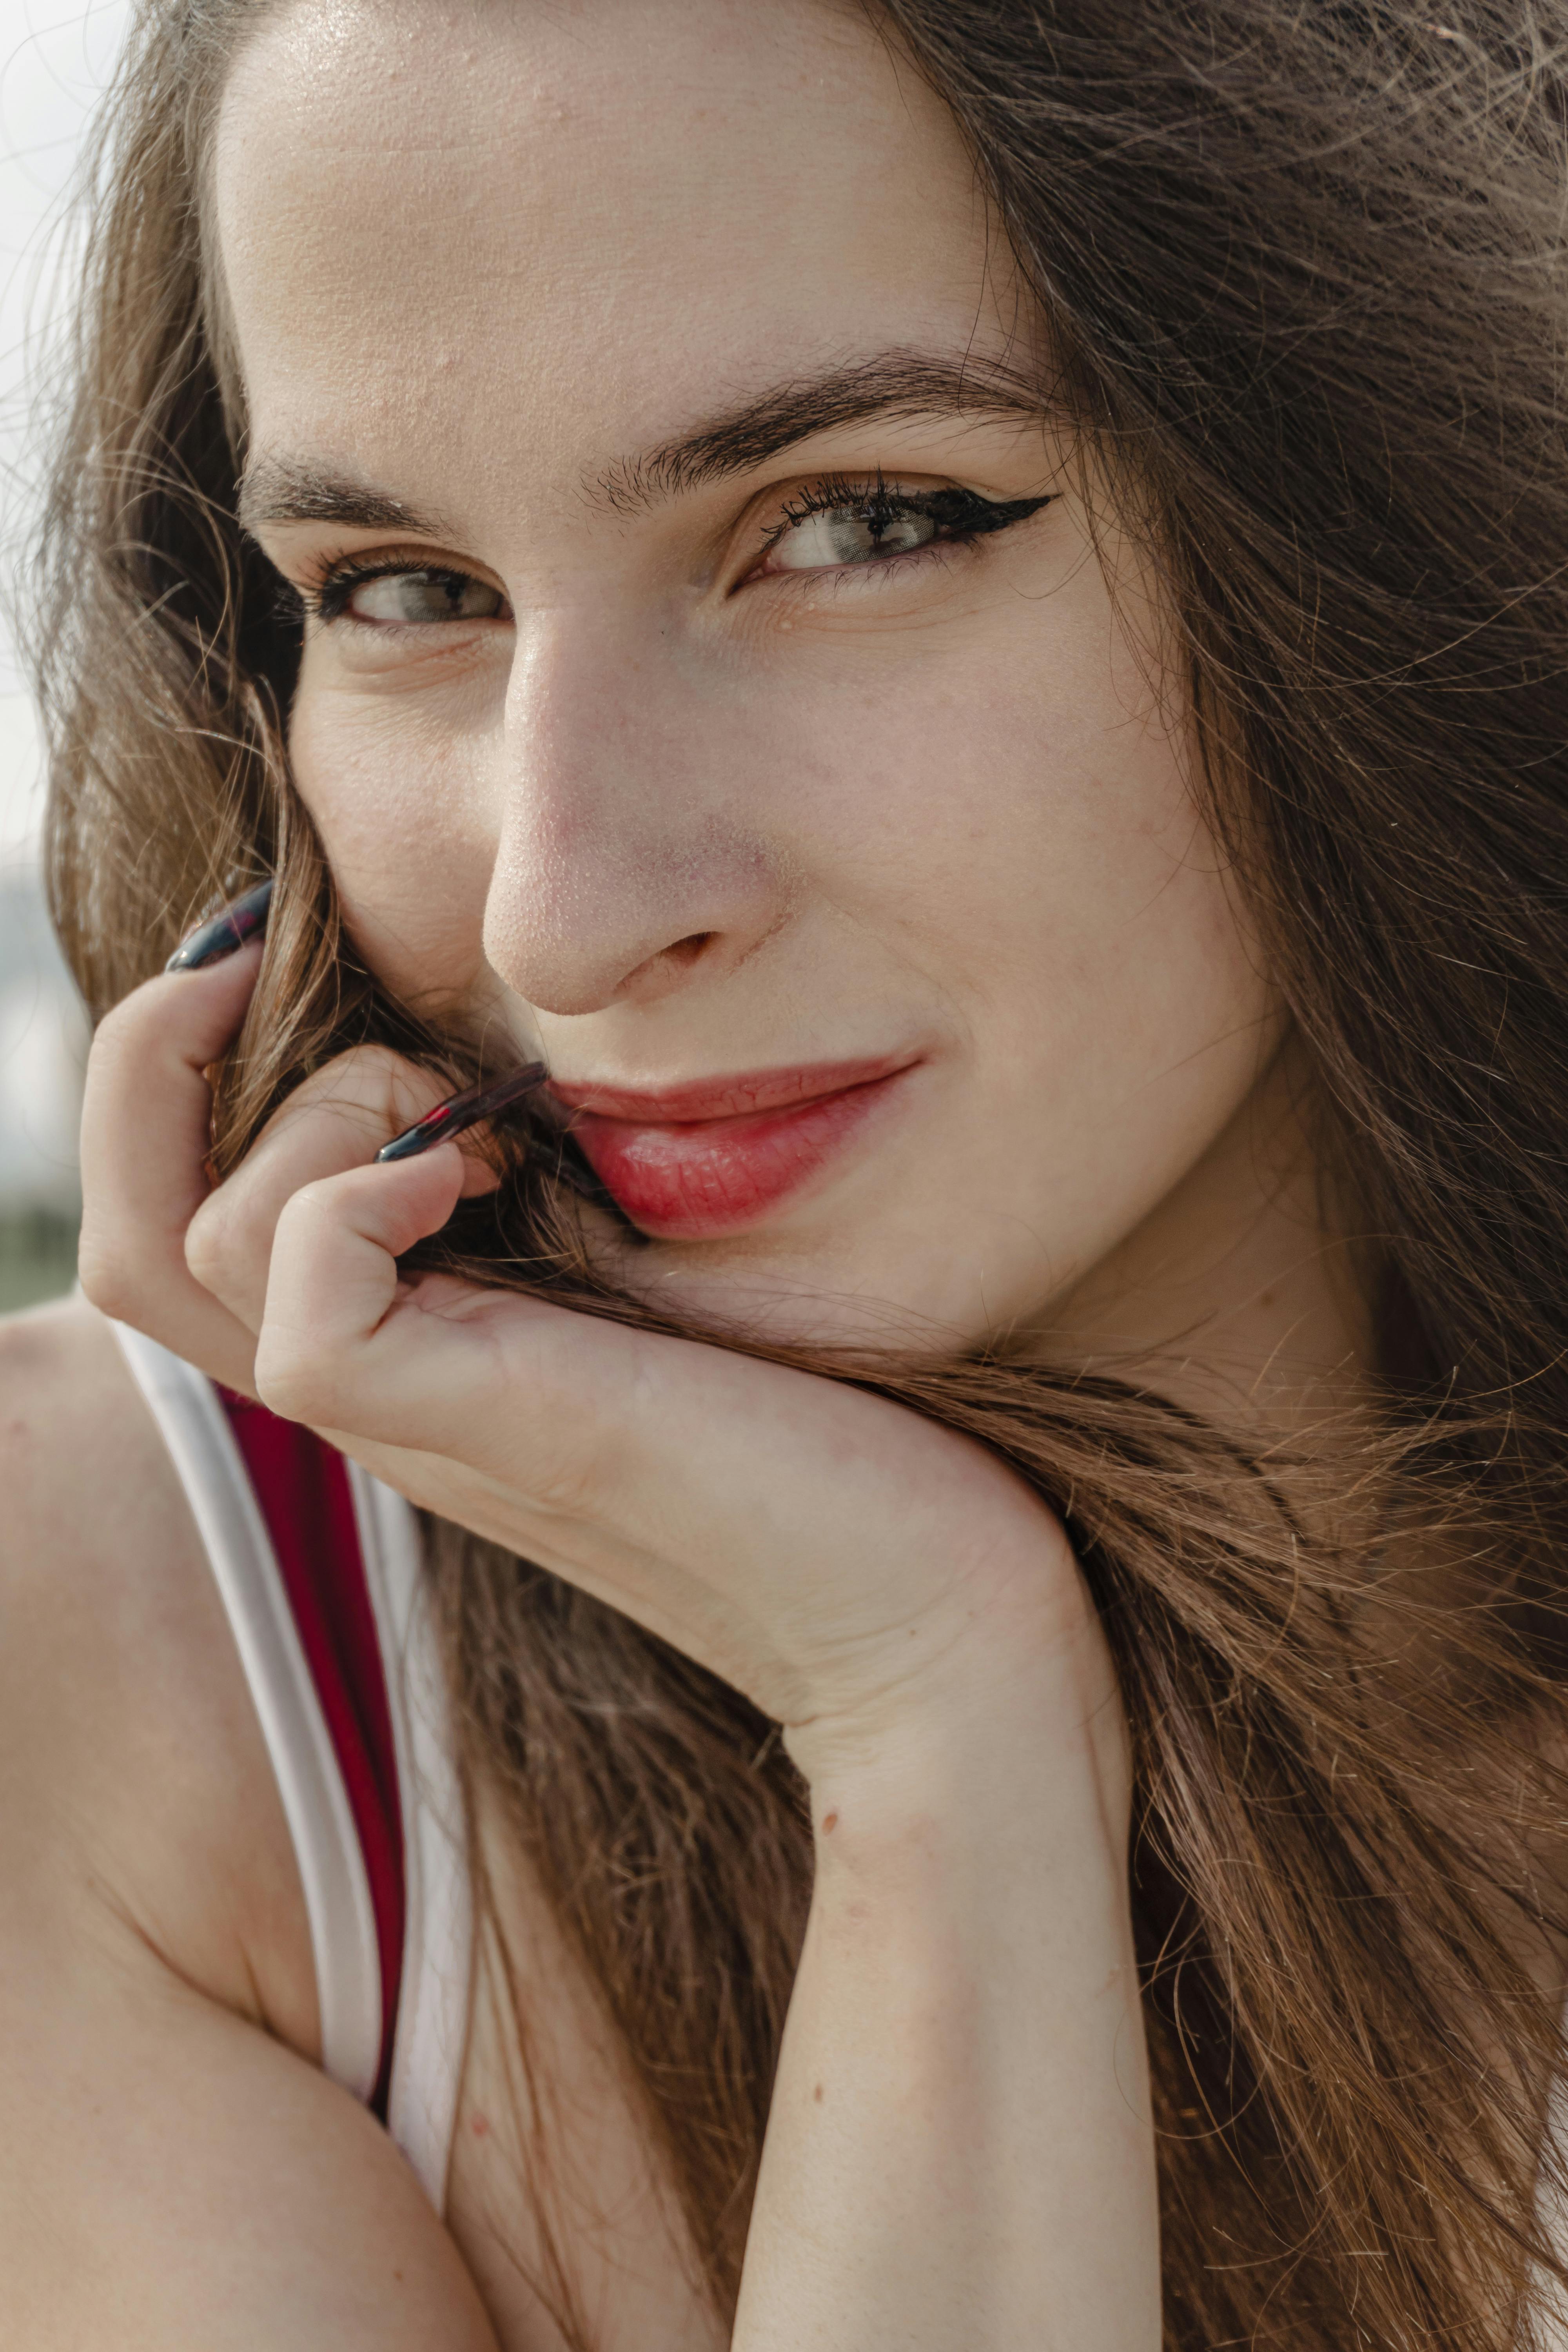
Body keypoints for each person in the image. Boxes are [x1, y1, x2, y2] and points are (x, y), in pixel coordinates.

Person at [5, 0, 1567, 2342]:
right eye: (402, 588)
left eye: (865, 523)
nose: (562, 908)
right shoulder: (116, 1665)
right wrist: (933, 1717)